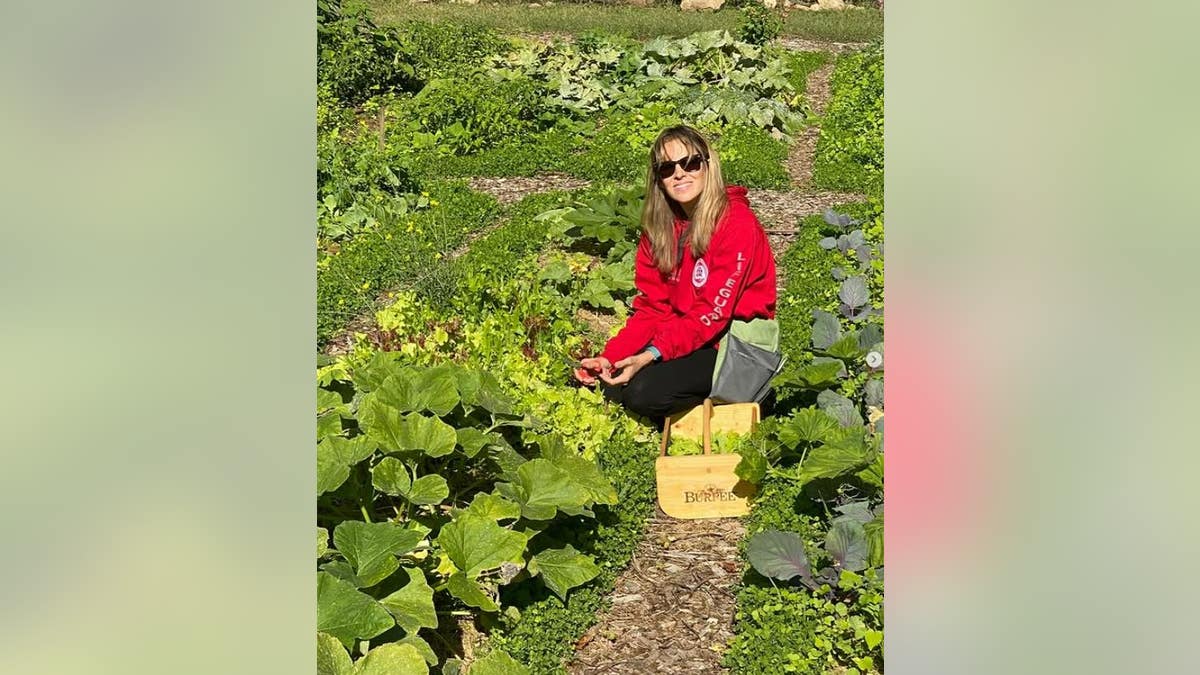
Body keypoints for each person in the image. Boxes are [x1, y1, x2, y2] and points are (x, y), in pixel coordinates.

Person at [574, 125, 777, 421]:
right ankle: (695, 397)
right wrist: (610, 357)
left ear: (709, 165)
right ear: (659, 178)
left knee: (642, 393)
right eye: (667, 168)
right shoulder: (660, 229)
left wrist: (650, 355)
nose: (679, 173)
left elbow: (712, 313)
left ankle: (750, 394)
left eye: (690, 162)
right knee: (613, 380)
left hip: (733, 342)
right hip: (685, 332)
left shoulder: (736, 224)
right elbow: (653, 308)